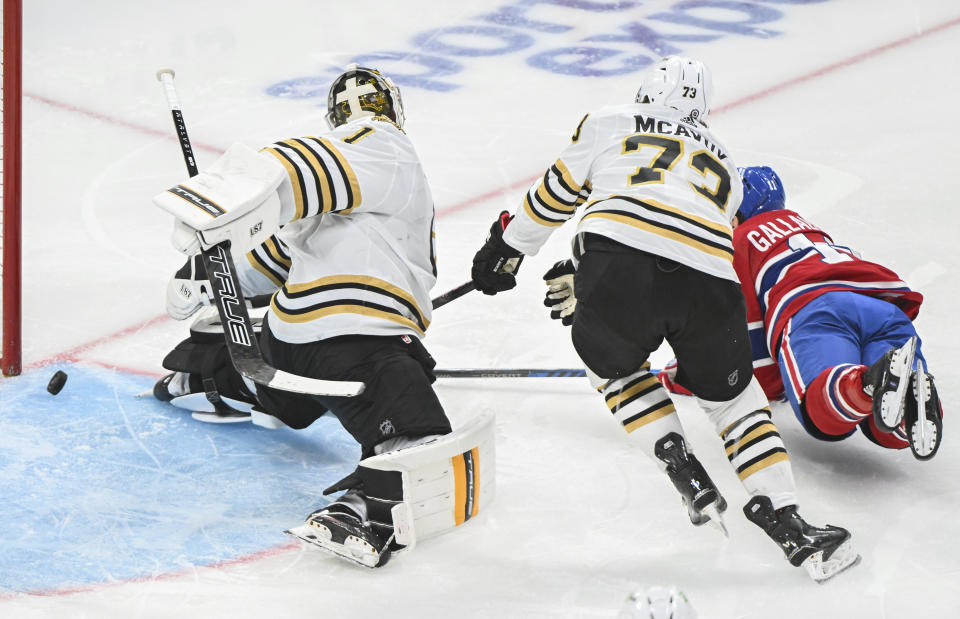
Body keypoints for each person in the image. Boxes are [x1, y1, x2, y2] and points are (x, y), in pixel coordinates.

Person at [471, 55, 857, 581]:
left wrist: (509, 248)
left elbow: (557, 194)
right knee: (736, 406)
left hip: (616, 266)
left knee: (613, 369)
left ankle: (678, 460)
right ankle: (790, 522)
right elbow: (681, 226)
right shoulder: (725, 163)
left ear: (647, 93)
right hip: (711, 283)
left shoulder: (611, 118)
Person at [151, 64, 494, 569]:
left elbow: (269, 261)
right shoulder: (385, 145)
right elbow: (310, 164)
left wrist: (205, 269)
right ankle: (363, 510)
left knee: (294, 385)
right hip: (354, 337)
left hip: (287, 341)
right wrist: (237, 189)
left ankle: (206, 372)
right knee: (409, 418)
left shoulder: (343, 196)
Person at [724, 166, 941, 459]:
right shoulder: (811, 230)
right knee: (883, 423)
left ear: (736, 214)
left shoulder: (741, 240)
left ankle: (867, 383)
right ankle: (908, 404)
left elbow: (747, 336)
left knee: (823, 414)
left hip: (818, 309)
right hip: (884, 309)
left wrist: (771, 386)